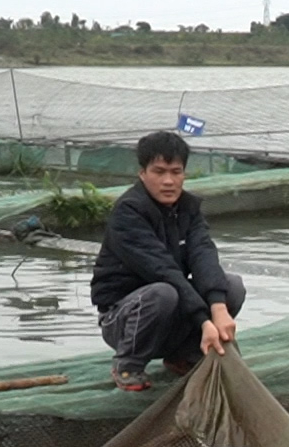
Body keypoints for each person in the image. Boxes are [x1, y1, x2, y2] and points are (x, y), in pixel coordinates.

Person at [90, 130, 244, 392]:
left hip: (171, 308)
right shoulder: (128, 213)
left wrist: (218, 307)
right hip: (123, 317)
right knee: (164, 293)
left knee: (231, 286)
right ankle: (128, 363)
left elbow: (203, 255)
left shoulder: (189, 208)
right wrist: (204, 321)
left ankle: (182, 355)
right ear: (142, 173)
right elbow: (162, 270)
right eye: (159, 172)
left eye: (176, 172)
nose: (169, 181)